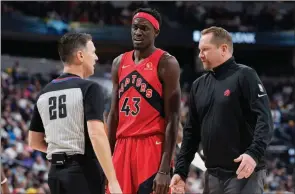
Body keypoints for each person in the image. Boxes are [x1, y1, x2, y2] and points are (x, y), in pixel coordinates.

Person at [170, 26, 273, 194]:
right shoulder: (198, 85)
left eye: (205, 49)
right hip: (212, 176)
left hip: (243, 173)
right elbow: (191, 133)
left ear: (223, 49)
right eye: (199, 50)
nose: (200, 55)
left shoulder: (245, 75)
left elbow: (265, 119)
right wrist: (180, 172)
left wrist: (253, 154)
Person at [28, 32, 122, 194]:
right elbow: (96, 135)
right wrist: (113, 181)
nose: (96, 58)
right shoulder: (90, 88)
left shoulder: (44, 92)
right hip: (83, 172)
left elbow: (34, 142)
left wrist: (61, 152)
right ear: (80, 55)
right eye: (93, 52)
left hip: (55, 173)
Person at [107, 8, 181, 194]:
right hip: (122, 145)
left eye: (144, 28)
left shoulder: (166, 63)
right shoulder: (119, 62)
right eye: (135, 27)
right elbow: (114, 114)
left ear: (156, 32)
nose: (138, 32)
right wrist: (106, 159)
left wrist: (164, 169)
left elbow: (173, 117)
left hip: (151, 146)